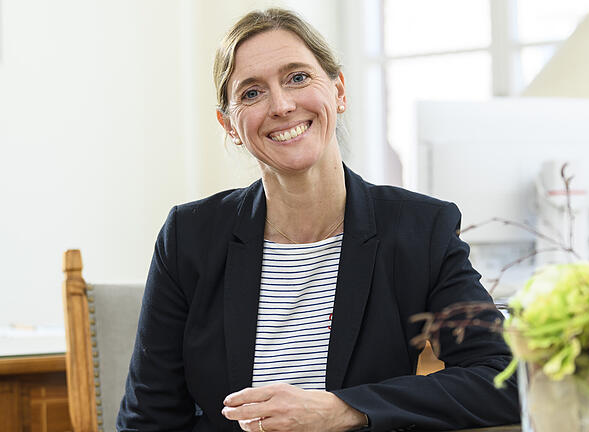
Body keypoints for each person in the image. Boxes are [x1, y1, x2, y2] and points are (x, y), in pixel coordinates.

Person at [117, 8, 519, 432]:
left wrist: (346, 409)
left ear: (338, 90)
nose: (282, 105)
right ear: (229, 125)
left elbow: (503, 381)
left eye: (297, 77)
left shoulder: (420, 228)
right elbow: (148, 418)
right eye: (252, 93)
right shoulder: (189, 237)